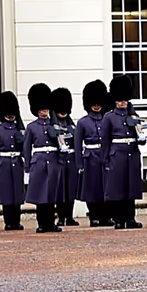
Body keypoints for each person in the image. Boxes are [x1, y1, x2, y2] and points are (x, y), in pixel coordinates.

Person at [101, 75, 145, 230]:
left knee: (131, 187)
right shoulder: (109, 118)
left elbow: (141, 138)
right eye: (120, 99)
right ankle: (119, 218)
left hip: (131, 153)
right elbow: (105, 140)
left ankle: (130, 218)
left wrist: (142, 137)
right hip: (117, 155)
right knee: (118, 188)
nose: (122, 102)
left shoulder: (134, 116)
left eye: (125, 99)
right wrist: (105, 160)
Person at [23, 83, 64, 233]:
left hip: (53, 160)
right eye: (41, 109)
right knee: (41, 196)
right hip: (39, 161)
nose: (44, 112)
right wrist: (27, 167)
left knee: (51, 195)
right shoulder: (31, 127)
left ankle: (51, 224)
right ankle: (42, 224)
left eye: (46, 109)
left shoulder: (56, 125)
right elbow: (26, 148)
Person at [75, 80, 111, 227]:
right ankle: (94, 216)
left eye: (98, 102)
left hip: (105, 156)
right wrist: (79, 164)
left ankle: (106, 216)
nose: (96, 105)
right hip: (90, 158)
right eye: (93, 102)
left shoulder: (107, 119)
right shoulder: (83, 123)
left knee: (106, 187)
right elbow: (77, 145)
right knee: (92, 188)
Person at [0, 91, 26, 231]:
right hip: (4, 163)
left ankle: (16, 221)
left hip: (17, 162)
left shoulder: (19, 129)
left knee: (17, 193)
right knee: (6, 194)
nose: (11, 115)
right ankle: (8, 221)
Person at [50, 87, 79, 227]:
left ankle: (69, 216)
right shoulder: (52, 125)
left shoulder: (71, 125)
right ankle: (61, 217)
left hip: (71, 160)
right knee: (60, 190)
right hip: (59, 160)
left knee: (70, 189)